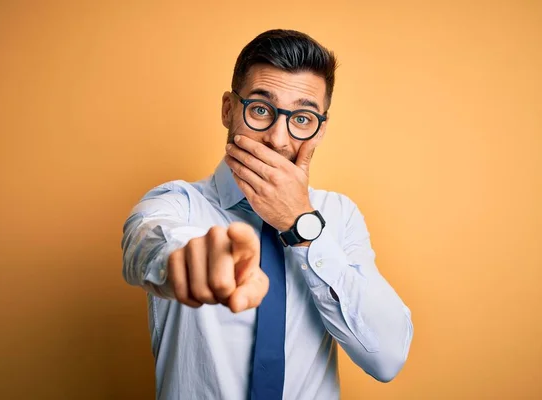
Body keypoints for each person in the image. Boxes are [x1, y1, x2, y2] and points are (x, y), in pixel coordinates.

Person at [121, 29, 413, 400]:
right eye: (261, 110)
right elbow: (148, 246)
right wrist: (192, 261)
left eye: (303, 118)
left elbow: (387, 358)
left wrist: (301, 226)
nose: (278, 138)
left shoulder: (339, 216)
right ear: (229, 109)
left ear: (320, 130)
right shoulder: (175, 203)